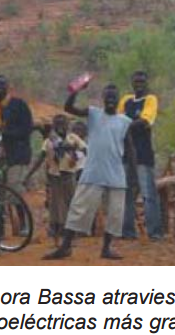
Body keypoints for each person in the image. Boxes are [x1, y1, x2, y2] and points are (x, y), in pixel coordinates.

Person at [44, 83, 133, 260]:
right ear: (102, 98)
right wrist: (75, 90)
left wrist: (134, 175)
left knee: (115, 213)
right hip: (93, 171)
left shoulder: (125, 121)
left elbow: (130, 149)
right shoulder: (94, 114)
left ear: (118, 100)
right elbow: (68, 108)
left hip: (116, 173)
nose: (110, 100)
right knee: (78, 209)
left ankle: (106, 248)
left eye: (113, 97)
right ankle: (66, 246)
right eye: (107, 97)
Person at [25, 114, 87, 244]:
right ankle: (57, 239)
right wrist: (28, 175)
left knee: (71, 205)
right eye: (57, 123)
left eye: (62, 123)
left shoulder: (73, 138)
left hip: (69, 175)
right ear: (54, 125)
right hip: (55, 177)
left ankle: (71, 237)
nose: (60, 126)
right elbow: (40, 158)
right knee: (56, 208)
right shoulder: (49, 142)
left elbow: (85, 150)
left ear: (67, 125)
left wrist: (72, 151)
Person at [120, 70, 163, 240]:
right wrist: (130, 125)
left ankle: (155, 233)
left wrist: (126, 125)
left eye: (142, 81)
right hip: (125, 154)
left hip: (143, 154)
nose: (139, 84)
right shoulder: (126, 99)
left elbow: (145, 121)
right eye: (136, 81)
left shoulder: (150, 99)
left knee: (148, 194)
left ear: (146, 83)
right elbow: (119, 119)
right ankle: (127, 231)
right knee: (126, 193)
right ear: (132, 82)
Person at [0, 75, 35, 197]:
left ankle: (21, 216)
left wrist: (7, 134)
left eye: (2, 87)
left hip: (17, 155)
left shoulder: (19, 106)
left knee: (14, 188)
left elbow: (27, 128)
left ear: (7, 88)